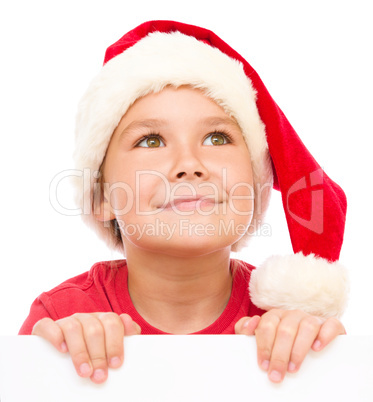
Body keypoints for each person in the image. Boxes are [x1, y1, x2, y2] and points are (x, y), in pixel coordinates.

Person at [19, 20, 349, 385]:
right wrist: (50, 365)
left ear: (256, 187)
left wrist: (320, 352)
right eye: (151, 141)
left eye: (217, 137)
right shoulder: (61, 321)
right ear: (101, 196)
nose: (189, 165)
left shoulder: (288, 324)